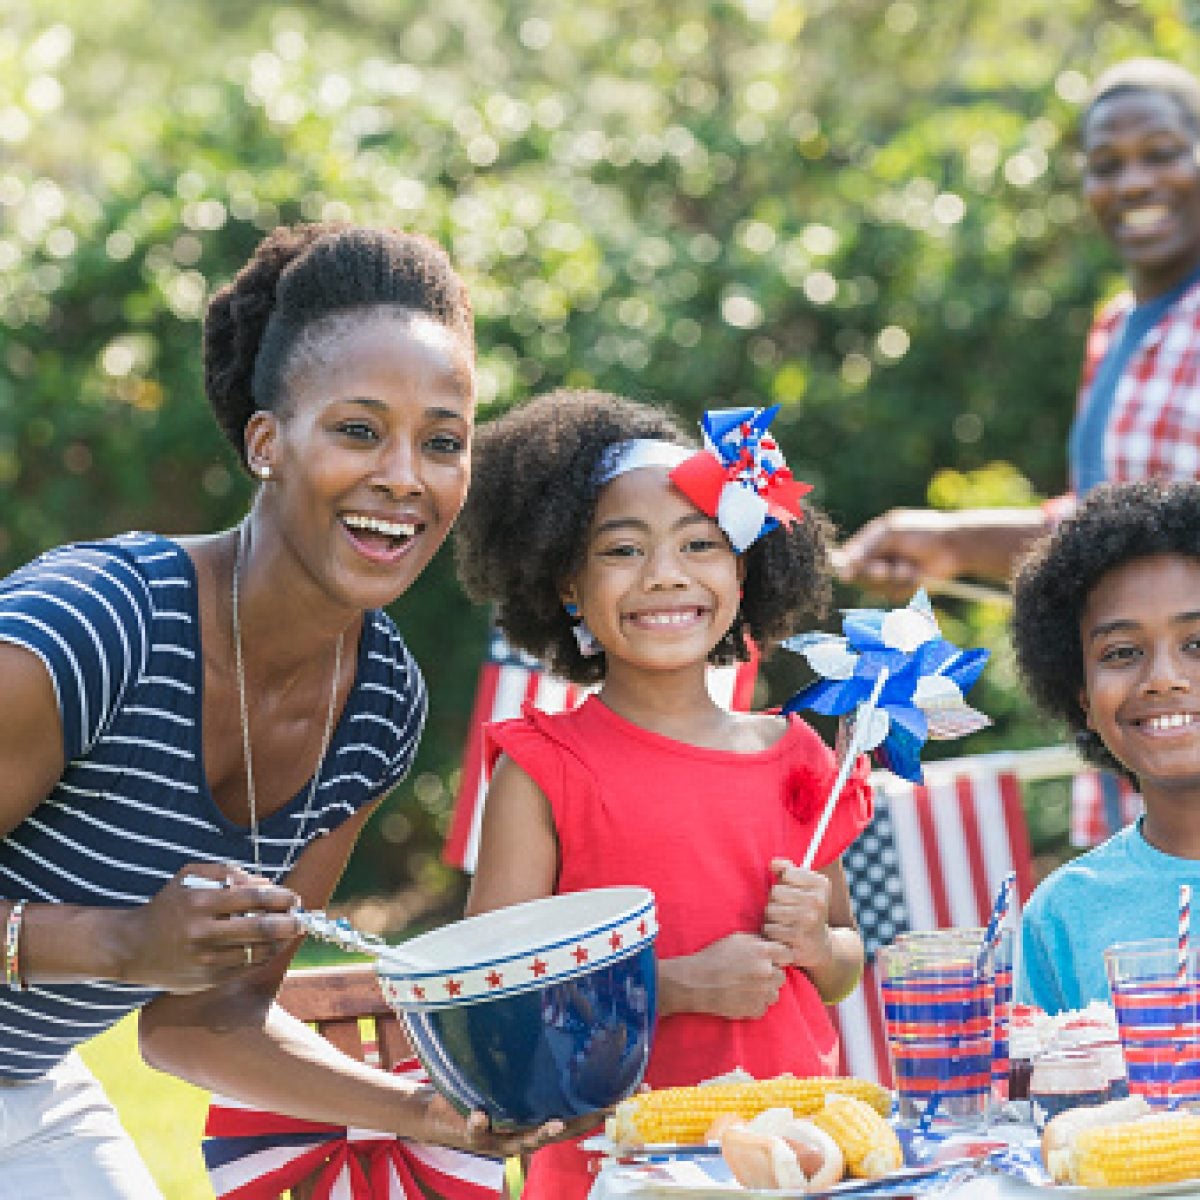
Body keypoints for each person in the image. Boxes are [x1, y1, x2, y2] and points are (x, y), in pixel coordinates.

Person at [0, 222, 575, 1198]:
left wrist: (432, 1113)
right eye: (359, 430)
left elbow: (205, 1021)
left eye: (443, 442)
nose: (404, 476)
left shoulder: (378, 708)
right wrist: (119, 943)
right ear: (268, 443)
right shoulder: (94, 625)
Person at [454, 390, 873, 1199]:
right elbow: (493, 1000)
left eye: (700, 543)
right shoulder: (544, 768)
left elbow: (845, 961)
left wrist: (819, 947)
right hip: (613, 1172)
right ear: (567, 585)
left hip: (799, 1162)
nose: (665, 575)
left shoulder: (796, 755)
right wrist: (675, 987)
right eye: (621, 550)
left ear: (742, 572)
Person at [837, 57, 1200, 596]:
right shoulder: (1117, 327)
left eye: (1162, 154)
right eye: (1106, 163)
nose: (1134, 182)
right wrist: (950, 544)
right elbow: (1104, 534)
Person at [1010, 479, 1200, 1013]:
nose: (1163, 679)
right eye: (1121, 653)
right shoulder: (1064, 914)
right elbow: (1041, 1092)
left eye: (1197, 643)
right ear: (1084, 700)